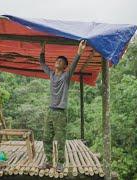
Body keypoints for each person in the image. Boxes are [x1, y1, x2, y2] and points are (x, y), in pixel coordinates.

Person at [40, 40, 87, 171]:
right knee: (46, 137)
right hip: (50, 111)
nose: (58, 62)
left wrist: (79, 52)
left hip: (60, 112)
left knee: (60, 139)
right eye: (57, 60)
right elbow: (42, 63)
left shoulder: (66, 76)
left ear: (65, 66)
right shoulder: (51, 75)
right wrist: (42, 50)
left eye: (61, 61)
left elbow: (74, 65)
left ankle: (61, 163)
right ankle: (49, 161)